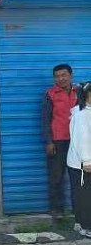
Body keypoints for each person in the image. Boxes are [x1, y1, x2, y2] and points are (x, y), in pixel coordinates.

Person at [42, 64, 80, 221]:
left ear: (71, 75)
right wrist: (49, 141)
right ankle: (57, 210)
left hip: (78, 142)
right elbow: (45, 119)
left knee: (78, 178)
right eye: (57, 76)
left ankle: (79, 210)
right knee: (56, 177)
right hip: (58, 141)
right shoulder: (50, 94)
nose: (61, 79)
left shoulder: (80, 92)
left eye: (64, 75)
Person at [67, 82, 91, 237]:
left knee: (80, 194)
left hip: (81, 162)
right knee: (85, 196)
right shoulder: (82, 114)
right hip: (82, 164)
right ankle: (86, 226)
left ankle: (79, 222)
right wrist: (87, 161)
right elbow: (81, 139)